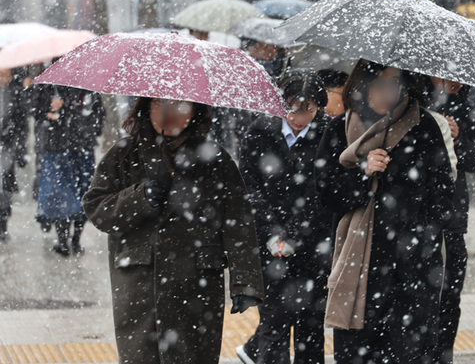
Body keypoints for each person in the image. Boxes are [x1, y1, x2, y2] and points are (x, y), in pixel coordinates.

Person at [82, 97, 264, 364]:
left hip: (197, 284)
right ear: (145, 107)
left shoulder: (215, 159)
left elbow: (239, 222)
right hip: (141, 285)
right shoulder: (123, 154)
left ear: (196, 110)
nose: (170, 112)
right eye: (160, 103)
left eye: (181, 104)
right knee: (143, 356)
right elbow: (96, 207)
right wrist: (138, 198)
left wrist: (245, 281)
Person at [315, 59, 456, 363]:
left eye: (393, 83)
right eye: (377, 84)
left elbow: (444, 195)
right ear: (361, 86)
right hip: (359, 267)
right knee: (358, 353)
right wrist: (362, 174)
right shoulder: (340, 128)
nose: (385, 92)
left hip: (412, 266)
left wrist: (416, 227)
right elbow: (325, 194)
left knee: (409, 351)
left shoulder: (422, 125)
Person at [237, 70, 332, 364]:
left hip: (315, 248)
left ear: (320, 106)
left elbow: (323, 194)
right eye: (291, 107)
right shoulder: (259, 130)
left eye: (308, 109)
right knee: (273, 328)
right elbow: (249, 187)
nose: (298, 116)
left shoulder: (330, 133)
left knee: (310, 331)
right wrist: (273, 234)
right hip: (270, 248)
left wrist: (293, 236)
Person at [425, 77, 475, 364]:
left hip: (452, 217)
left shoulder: (467, 108)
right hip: (418, 217)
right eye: (449, 76)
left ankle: (443, 356)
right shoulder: (414, 105)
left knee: (450, 296)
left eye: (461, 78)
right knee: (420, 297)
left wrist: (459, 138)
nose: (456, 82)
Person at [33, 85, 82, 255]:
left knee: (68, 197)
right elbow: (36, 112)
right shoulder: (47, 88)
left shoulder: (74, 96)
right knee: (57, 196)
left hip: (68, 153)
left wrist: (61, 116)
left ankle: (69, 240)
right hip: (53, 151)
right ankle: (62, 239)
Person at [67, 89, 105, 254]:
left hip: (86, 149)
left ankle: (76, 238)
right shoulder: (65, 90)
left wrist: (91, 128)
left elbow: (100, 118)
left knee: (84, 193)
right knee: (67, 193)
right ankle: (63, 238)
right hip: (68, 149)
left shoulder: (93, 94)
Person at [0, 67, 29, 242]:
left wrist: (20, 148)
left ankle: (2, 224)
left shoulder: (15, 94)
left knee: (5, 188)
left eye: (7, 75)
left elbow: (22, 122)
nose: (5, 78)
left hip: (7, 146)